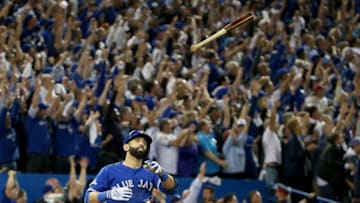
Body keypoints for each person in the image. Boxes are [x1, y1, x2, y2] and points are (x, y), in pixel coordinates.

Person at [84, 130, 177, 203]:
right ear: (126, 147)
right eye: (137, 141)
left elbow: (171, 189)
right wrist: (108, 194)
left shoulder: (150, 171)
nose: (142, 144)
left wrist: (162, 174)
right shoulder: (109, 170)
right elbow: (88, 198)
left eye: (144, 142)